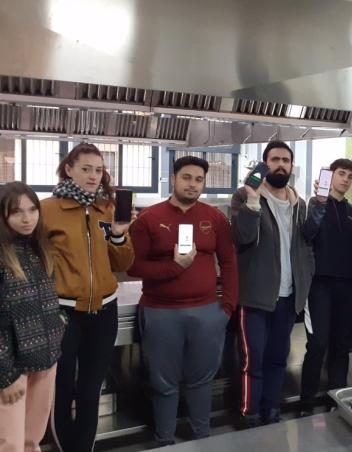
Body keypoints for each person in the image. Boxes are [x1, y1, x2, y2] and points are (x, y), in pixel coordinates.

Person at [127, 156, 238, 446]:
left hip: (207, 314)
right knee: (163, 383)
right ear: (173, 178)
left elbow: (229, 262)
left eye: (199, 179)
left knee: (202, 381)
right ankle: (165, 440)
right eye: (187, 177)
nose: (193, 184)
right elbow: (133, 266)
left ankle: (202, 437)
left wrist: (227, 307)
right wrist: (173, 267)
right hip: (161, 313)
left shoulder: (215, 218)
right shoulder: (149, 218)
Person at [42, 143, 134, 452]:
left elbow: (122, 263)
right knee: (61, 387)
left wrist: (119, 234)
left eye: (98, 170)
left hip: (104, 311)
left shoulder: (106, 209)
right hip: (63, 313)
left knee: (90, 389)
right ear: (69, 169)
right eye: (86, 169)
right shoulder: (47, 210)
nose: (93, 176)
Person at [231, 141, 314, 428]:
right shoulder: (244, 196)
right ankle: (249, 414)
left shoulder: (299, 204)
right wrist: (253, 200)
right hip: (256, 296)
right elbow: (242, 237)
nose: (280, 164)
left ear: (291, 166)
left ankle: (272, 409)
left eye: (285, 160)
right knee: (252, 361)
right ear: (265, 164)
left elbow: (305, 247)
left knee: (278, 358)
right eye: (275, 159)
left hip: (288, 297)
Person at [0, 182, 64, 452]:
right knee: (10, 445)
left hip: (46, 360)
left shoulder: (39, 249)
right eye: (16, 212)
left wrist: (59, 324)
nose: (27, 218)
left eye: (32, 209)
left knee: (31, 440)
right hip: (13, 368)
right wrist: (5, 375)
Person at [299, 159, 352, 415]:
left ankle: (338, 400)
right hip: (319, 286)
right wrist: (320, 204)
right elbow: (307, 233)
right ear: (329, 176)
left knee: (341, 345)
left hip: (348, 286)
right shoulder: (314, 205)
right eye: (341, 174)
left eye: (350, 176)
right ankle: (306, 402)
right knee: (318, 344)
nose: (345, 179)